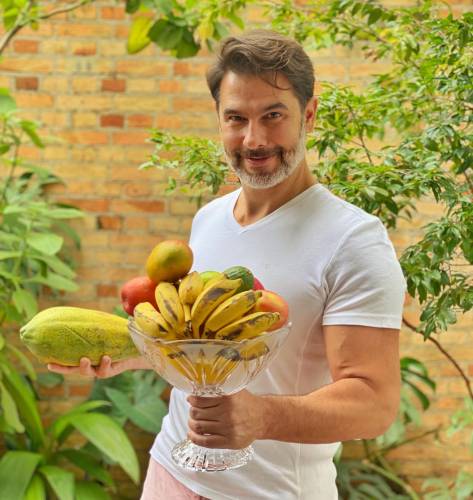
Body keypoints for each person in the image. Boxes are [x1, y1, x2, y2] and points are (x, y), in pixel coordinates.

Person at [49, 29, 407, 499]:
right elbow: (205, 346)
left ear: (309, 115)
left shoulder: (353, 240)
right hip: (171, 473)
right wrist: (129, 355)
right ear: (219, 119)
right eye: (236, 118)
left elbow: (374, 402)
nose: (253, 139)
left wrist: (262, 417)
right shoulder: (209, 219)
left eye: (273, 116)